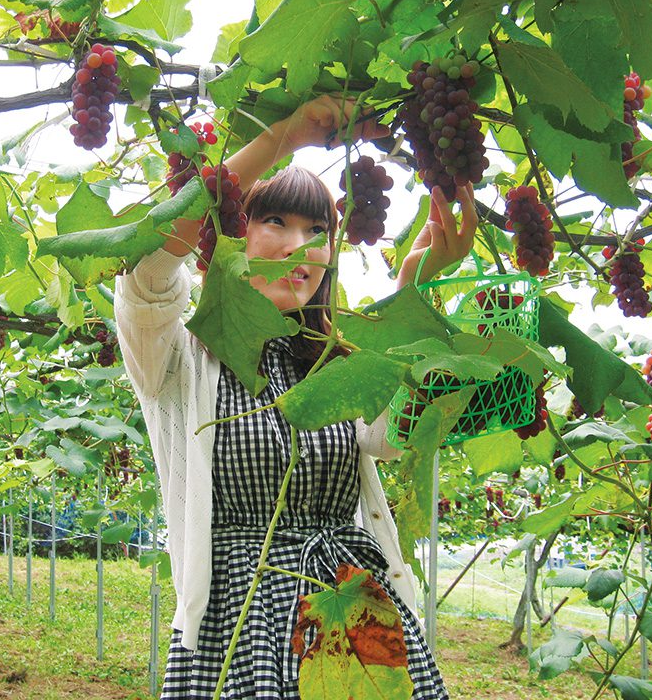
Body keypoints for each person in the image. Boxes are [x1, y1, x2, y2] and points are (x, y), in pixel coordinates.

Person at [116, 95, 478, 698]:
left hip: (357, 607)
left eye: (317, 231)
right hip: (239, 621)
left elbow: (388, 439)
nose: (298, 247)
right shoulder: (181, 353)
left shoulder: (339, 356)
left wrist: (414, 292)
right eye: (274, 222)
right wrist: (281, 138)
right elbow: (147, 273)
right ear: (232, 232)